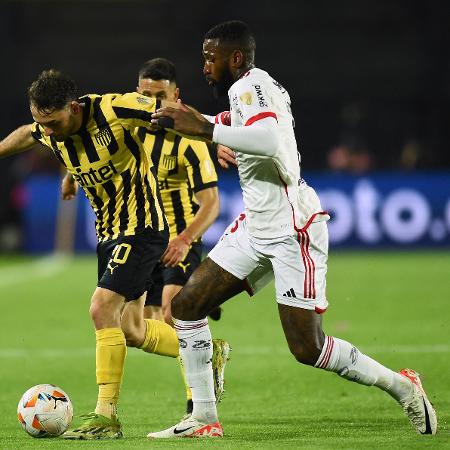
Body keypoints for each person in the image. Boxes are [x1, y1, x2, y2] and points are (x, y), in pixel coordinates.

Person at [147, 20, 438, 438]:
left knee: (307, 348)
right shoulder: (245, 91)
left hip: (291, 229)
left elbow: (268, 141)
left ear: (236, 58)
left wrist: (207, 129)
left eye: (211, 57)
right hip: (255, 225)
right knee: (187, 306)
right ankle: (204, 419)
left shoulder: (252, 84)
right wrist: (206, 125)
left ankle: (403, 386)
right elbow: (244, 128)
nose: (204, 66)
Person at [0, 69, 228, 440]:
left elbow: (167, 109)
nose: (49, 131)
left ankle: (106, 416)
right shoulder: (48, 127)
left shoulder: (115, 109)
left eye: (55, 122)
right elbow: (28, 134)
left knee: (101, 308)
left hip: (141, 229)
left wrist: (213, 137)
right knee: (131, 330)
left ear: (73, 108)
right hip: (108, 236)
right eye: (43, 122)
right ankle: (204, 349)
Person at [61, 57, 227, 416]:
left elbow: (211, 203)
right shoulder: (132, 129)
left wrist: (183, 239)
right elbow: (96, 151)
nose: (153, 101)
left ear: (175, 95)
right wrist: (73, 175)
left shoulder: (189, 142)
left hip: (177, 240)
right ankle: (208, 354)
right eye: (146, 93)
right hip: (137, 233)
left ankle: (195, 402)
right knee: (135, 330)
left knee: (171, 311)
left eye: (160, 95)